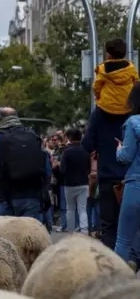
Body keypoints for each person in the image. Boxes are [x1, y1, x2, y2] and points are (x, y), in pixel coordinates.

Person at [83, 61, 132, 250]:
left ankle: (113, 271)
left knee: (109, 227)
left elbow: (87, 145)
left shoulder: (99, 113)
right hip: (132, 177)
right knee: (132, 226)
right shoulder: (135, 114)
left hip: (108, 176)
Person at [0, 107, 51, 222]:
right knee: (31, 237)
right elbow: (46, 167)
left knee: (6, 238)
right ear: (17, 117)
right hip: (32, 197)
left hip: (4, 198)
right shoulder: (33, 136)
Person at [114, 81, 140, 262]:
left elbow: (126, 157)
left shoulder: (133, 122)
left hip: (136, 185)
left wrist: (119, 148)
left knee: (123, 240)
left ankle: (119, 284)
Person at [93, 38, 138, 116]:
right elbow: (137, 85)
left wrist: (99, 98)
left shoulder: (103, 69)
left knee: (92, 127)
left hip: (106, 108)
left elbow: (96, 87)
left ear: (109, 55)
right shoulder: (131, 68)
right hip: (127, 108)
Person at [60, 128, 91, 234]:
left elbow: (62, 169)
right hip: (83, 182)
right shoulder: (85, 151)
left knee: (70, 208)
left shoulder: (66, 152)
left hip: (69, 184)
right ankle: (84, 230)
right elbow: (89, 168)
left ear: (69, 138)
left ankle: (71, 230)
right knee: (82, 208)